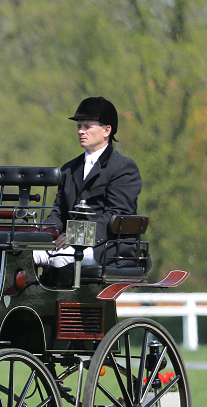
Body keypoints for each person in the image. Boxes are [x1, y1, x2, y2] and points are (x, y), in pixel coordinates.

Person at [33, 97, 142, 276]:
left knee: (60, 258)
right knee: (24, 254)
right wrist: (44, 233)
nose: (81, 131)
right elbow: (59, 212)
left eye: (87, 126)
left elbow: (115, 216)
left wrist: (76, 236)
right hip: (68, 242)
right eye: (79, 126)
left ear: (107, 130)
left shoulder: (123, 168)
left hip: (108, 247)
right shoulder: (69, 169)